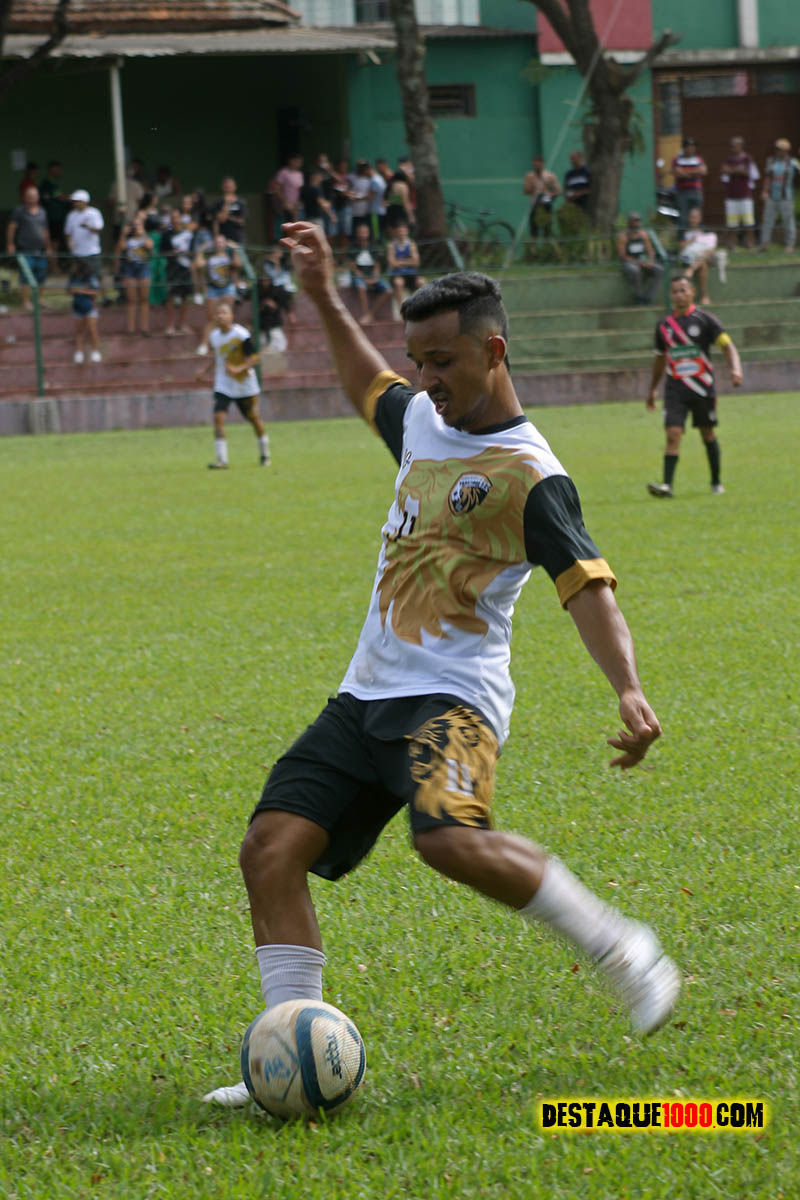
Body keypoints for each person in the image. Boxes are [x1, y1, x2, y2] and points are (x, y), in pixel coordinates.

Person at [203, 220, 680, 1108]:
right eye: (418, 361)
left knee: (449, 838)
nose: (426, 379)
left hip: (451, 701)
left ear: (494, 351)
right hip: (364, 695)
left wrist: (629, 689)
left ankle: (623, 947)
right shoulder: (424, 418)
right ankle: (294, 1046)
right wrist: (323, 296)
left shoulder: (529, 473)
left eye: (444, 362)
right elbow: (367, 385)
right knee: (269, 849)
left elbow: (586, 585)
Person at [646, 275, 742, 498]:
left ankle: (716, 483)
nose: (679, 295)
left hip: (702, 388)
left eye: (683, 290)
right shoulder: (664, 326)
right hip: (675, 390)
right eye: (675, 291)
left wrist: (736, 369)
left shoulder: (706, 320)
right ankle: (667, 486)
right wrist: (652, 389)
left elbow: (727, 346)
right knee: (673, 434)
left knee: (707, 433)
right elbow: (660, 359)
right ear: (670, 296)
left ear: (692, 292)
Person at [194, 302, 270, 470]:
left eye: (224, 313)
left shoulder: (241, 335)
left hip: (244, 383)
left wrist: (238, 368)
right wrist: (204, 371)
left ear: (231, 316)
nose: (220, 316)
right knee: (218, 418)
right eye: (218, 313)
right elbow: (217, 357)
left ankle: (265, 454)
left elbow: (254, 358)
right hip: (224, 384)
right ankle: (222, 460)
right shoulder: (214, 336)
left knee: (253, 418)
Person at [6, 186, 53, 311]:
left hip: (40, 250)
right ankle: (26, 302)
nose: (32, 199)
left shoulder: (42, 212)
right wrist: (10, 244)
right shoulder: (19, 211)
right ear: (25, 198)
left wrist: (48, 247)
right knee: (25, 276)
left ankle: (39, 300)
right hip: (25, 250)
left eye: (34, 197)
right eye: (29, 197)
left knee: (41, 275)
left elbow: (46, 231)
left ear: (38, 197)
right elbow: (11, 228)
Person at [194, 233, 241, 355]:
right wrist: (201, 250)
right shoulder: (210, 258)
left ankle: (229, 344)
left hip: (227, 287)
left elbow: (238, 264)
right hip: (213, 288)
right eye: (217, 242)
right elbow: (198, 264)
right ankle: (205, 344)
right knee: (212, 317)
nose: (219, 244)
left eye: (221, 242)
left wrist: (236, 249)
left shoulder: (229, 256)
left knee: (227, 316)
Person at [113, 211, 153, 335]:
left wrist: (143, 233)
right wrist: (123, 234)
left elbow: (150, 246)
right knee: (131, 300)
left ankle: (144, 328)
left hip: (143, 267)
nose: (136, 227)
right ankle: (131, 328)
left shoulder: (144, 237)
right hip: (130, 268)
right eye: (134, 225)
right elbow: (120, 248)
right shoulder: (128, 239)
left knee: (144, 299)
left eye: (138, 225)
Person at [346, 222, 392, 324]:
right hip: (359, 277)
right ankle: (365, 313)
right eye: (361, 232)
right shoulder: (352, 247)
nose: (363, 234)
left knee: (388, 290)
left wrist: (375, 277)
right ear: (357, 233)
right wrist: (365, 280)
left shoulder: (373, 246)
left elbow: (377, 265)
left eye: (365, 232)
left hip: (372, 276)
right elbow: (353, 268)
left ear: (368, 233)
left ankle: (371, 313)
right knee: (361, 287)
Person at [759, 138, 798, 252]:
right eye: (777, 149)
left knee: (788, 221)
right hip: (772, 196)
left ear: (786, 150)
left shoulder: (793, 162)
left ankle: (790, 245)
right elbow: (767, 177)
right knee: (767, 220)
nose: (778, 151)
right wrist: (765, 191)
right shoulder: (771, 161)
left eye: (781, 149)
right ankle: (764, 243)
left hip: (786, 197)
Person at [616, 212, 663, 305]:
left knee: (659, 270)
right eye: (633, 221)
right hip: (629, 262)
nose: (636, 223)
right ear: (629, 222)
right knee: (635, 271)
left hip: (643, 260)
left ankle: (648, 298)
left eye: (637, 220)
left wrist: (650, 261)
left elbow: (650, 251)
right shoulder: (623, 236)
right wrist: (640, 263)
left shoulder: (643, 234)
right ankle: (638, 297)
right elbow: (622, 256)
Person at [720, 136, 757, 250]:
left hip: (745, 195)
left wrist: (732, 170)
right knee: (732, 224)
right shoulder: (729, 159)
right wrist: (737, 170)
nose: (732, 148)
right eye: (731, 146)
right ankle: (732, 245)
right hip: (731, 196)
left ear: (741, 146)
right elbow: (724, 170)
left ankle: (749, 243)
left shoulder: (747, 158)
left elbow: (748, 172)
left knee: (748, 223)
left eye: (734, 146)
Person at [162, 209, 195, 335]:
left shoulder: (188, 234)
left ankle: (182, 324)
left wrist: (187, 254)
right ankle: (170, 325)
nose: (175, 220)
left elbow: (193, 252)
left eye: (177, 217)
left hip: (185, 268)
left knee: (184, 297)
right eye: (173, 218)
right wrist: (172, 253)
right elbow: (162, 252)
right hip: (172, 268)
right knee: (171, 296)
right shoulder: (166, 235)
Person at [678, 208, 719, 305]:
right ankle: (704, 296)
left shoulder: (705, 230)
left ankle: (691, 270)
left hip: (706, 256)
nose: (692, 220)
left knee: (706, 255)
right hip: (691, 258)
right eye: (691, 217)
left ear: (700, 219)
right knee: (703, 265)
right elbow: (681, 247)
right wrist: (692, 240)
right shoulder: (684, 230)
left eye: (695, 218)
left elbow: (711, 246)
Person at [670, 138, 707, 238]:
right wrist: (694, 172)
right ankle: (682, 239)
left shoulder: (698, 159)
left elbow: (703, 171)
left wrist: (685, 172)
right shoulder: (677, 159)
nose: (691, 148)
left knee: (696, 216)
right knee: (683, 217)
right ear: (684, 148)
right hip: (682, 192)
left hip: (696, 191)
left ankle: (698, 237)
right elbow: (677, 172)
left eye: (692, 146)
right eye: (688, 146)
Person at [68, 258, 102, 364]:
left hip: (90, 307)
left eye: (75, 265)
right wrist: (74, 290)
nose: (72, 267)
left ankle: (95, 351)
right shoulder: (73, 278)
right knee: (79, 331)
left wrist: (82, 291)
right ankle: (79, 352)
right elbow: (68, 290)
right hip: (77, 308)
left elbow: (96, 291)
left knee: (92, 330)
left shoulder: (90, 278)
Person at [522, 155, 561, 237]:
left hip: (546, 205)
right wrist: (533, 187)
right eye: (534, 165)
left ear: (542, 163)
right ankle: (534, 244)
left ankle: (546, 243)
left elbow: (558, 191)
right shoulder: (529, 176)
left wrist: (550, 195)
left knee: (547, 230)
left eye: (538, 164)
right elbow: (525, 191)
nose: (536, 166)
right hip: (534, 205)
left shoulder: (550, 176)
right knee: (534, 231)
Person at [386, 222, 422, 309]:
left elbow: (416, 262)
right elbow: (392, 263)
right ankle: (402, 308)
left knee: (421, 282)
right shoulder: (391, 245)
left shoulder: (411, 244)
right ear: (396, 232)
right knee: (399, 283)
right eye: (399, 231)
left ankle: (421, 306)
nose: (401, 233)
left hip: (411, 273)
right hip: (397, 274)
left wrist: (400, 261)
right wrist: (409, 261)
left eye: (403, 231)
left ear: (407, 231)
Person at [212, 177, 247, 245]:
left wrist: (228, 217)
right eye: (226, 187)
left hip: (237, 238)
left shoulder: (240, 203)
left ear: (234, 187)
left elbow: (242, 222)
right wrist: (227, 203)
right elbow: (219, 220)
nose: (228, 189)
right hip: (222, 240)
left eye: (230, 187)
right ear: (222, 188)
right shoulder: (218, 203)